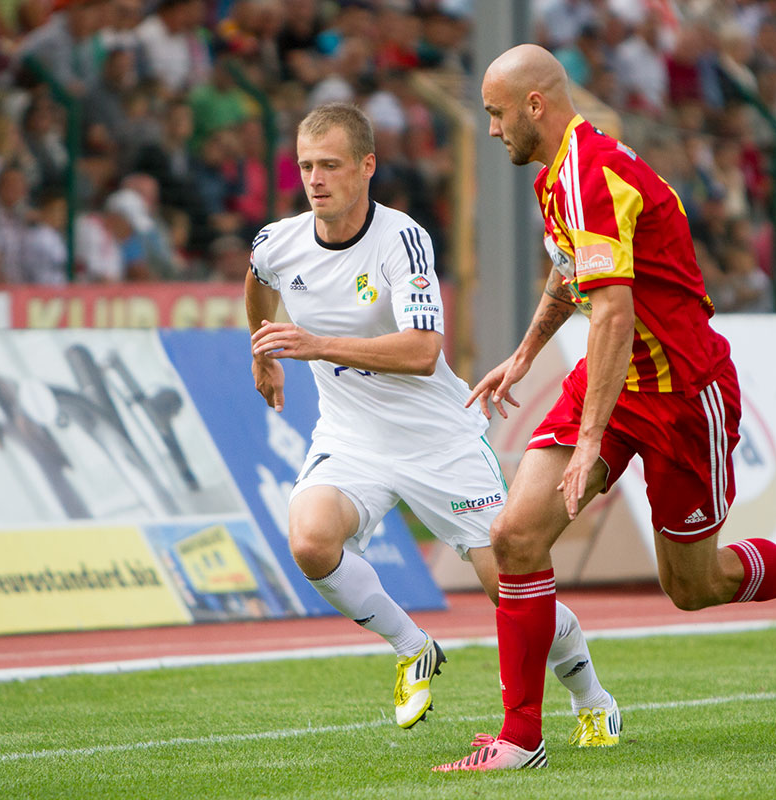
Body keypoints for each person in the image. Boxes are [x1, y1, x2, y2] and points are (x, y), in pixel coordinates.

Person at [433, 45, 776, 773]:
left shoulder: (589, 173)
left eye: (496, 113)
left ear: (534, 105)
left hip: (682, 394)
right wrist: (525, 354)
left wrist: (589, 441)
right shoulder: (559, 175)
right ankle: (521, 739)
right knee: (514, 536)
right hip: (615, 381)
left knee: (692, 587)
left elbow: (614, 314)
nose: (491, 128)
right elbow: (569, 272)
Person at [246, 102, 616, 743]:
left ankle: (592, 698)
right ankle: (412, 646)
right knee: (309, 541)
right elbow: (257, 281)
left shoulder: (402, 238)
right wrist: (262, 353)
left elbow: (422, 352)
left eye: (330, 165)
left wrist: (314, 344)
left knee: (510, 589)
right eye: (306, 166)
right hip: (352, 439)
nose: (315, 179)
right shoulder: (277, 242)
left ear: (367, 166)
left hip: (438, 440)